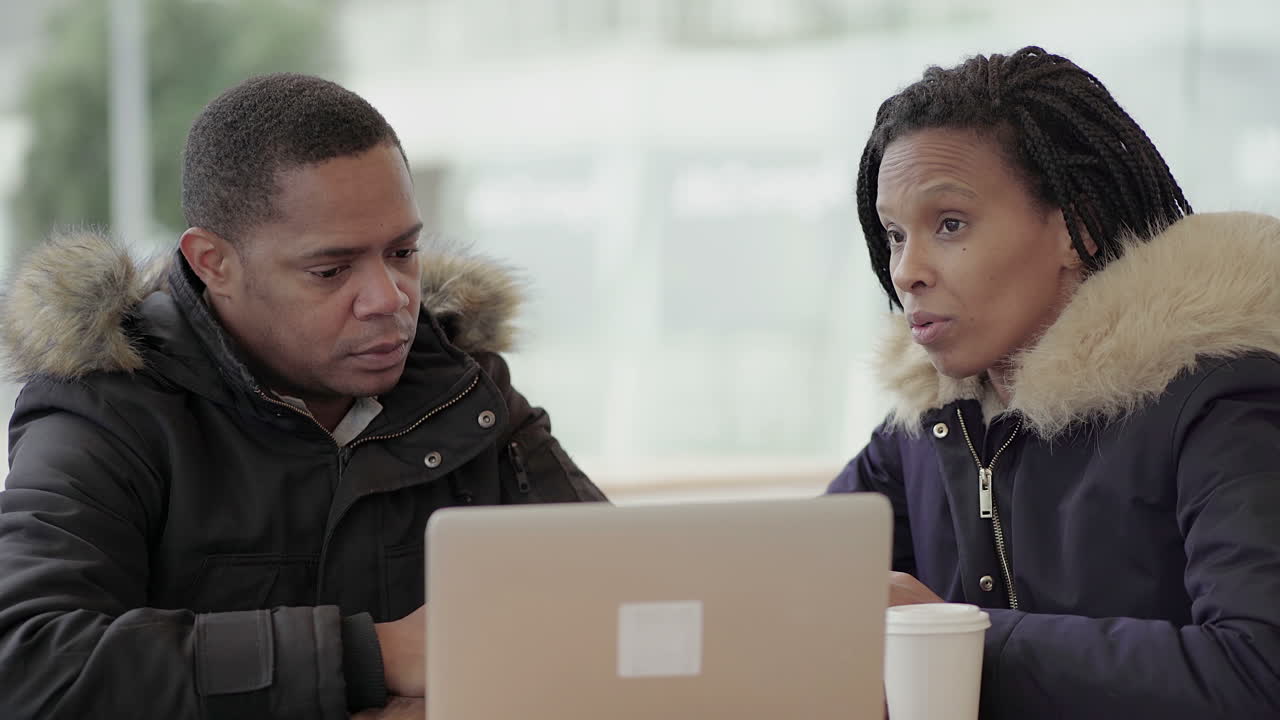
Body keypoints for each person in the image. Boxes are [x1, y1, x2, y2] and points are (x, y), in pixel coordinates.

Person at [0, 73, 605, 720]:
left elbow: (621, 601)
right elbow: (28, 665)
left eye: (402, 251)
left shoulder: (466, 392)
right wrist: (373, 655)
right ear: (214, 263)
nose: (389, 299)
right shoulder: (105, 412)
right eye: (331, 270)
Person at [829, 46, 1280, 718]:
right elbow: (796, 588)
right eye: (894, 234)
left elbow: (1257, 672)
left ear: (1079, 229)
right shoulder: (930, 425)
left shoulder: (1221, 400)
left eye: (948, 225)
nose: (906, 270)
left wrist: (960, 637)